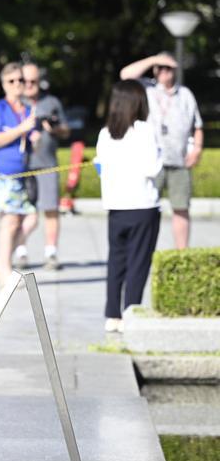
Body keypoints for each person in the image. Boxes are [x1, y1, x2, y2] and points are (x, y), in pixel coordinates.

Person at [95, 80, 163, 333]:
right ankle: (131, 311)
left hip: (116, 206)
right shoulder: (145, 130)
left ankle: (112, 316)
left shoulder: (105, 133)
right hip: (143, 206)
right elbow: (152, 168)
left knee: (117, 262)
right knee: (138, 263)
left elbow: (100, 167)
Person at [119, 52, 203, 249]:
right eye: (161, 68)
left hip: (178, 160)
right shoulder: (147, 88)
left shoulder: (185, 94)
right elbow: (125, 75)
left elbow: (197, 125)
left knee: (181, 207)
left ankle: (182, 251)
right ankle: (145, 248)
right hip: (151, 161)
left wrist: (196, 150)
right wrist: (154, 60)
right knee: (147, 208)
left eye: (169, 68)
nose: (165, 72)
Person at [0, 62, 36, 285]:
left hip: (21, 173)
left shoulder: (28, 110)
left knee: (31, 219)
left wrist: (34, 139)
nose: (16, 85)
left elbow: (28, 142)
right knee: (11, 221)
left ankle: (0, 261)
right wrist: (21, 130)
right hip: (0, 173)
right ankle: (5, 270)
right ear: (4, 84)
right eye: (11, 81)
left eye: (20, 80)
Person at [13, 62, 69, 270]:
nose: (28, 85)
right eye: (24, 81)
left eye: (33, 81)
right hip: (23, 165)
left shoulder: (51, 102)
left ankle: (51, 253)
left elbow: (66, 130)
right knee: (22, 211)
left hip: (47, 164)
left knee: (51, 209)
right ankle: (20, 252)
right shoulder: (16, 103)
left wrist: (54, 128)